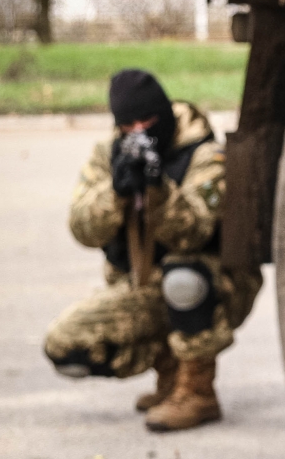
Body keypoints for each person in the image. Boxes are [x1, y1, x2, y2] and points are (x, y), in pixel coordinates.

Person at [44, 69, 262, 432]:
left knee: (183, 280)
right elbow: (82, 229)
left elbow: (195, 231)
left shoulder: (205, 154)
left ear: (165, 114)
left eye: (149, 122)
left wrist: (158, 190)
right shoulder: (107, 154)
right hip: (145, 285)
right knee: (65, 347)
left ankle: (197, 392)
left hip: (218, 286)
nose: (140, 132)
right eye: (129, 126)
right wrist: (116, 193)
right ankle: (170, 377)